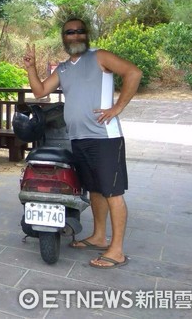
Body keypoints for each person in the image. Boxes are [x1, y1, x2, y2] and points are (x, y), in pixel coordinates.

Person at [23, 17, 142, 269]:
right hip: (78, 139)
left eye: (79, 31)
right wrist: (31, 68)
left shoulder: (100, 57)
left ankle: (117, 250)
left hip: (104, 138)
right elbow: (40, 91)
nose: (75, 36)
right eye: (69, 32)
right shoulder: (64, 68)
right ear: (63, 37)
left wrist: (118, 106)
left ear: (86, 35)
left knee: (113, 192)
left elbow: (134, 72)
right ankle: (99, 237)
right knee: (96, 190)